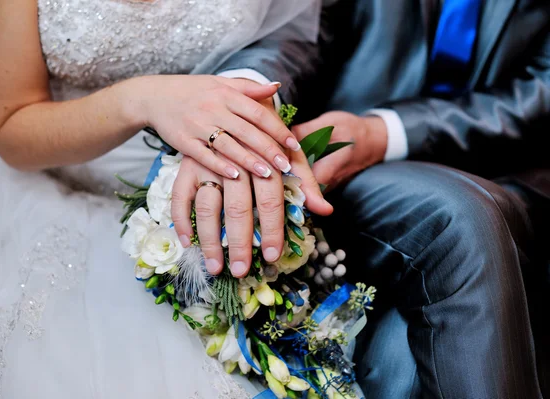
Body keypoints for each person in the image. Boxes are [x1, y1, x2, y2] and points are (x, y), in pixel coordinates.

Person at [0, 0, 330, 397]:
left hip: (212, 198)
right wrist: (142, 100)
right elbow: (12, 127)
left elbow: (288, 29)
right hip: (61, 192)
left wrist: (244, 108)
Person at [195, 0, 549, 397]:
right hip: (332, 158)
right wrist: (248, 102)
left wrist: (382, 134)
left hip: (508, 174)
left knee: (401, 357)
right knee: (462, 219)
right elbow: (297, 27)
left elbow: (540, 95)